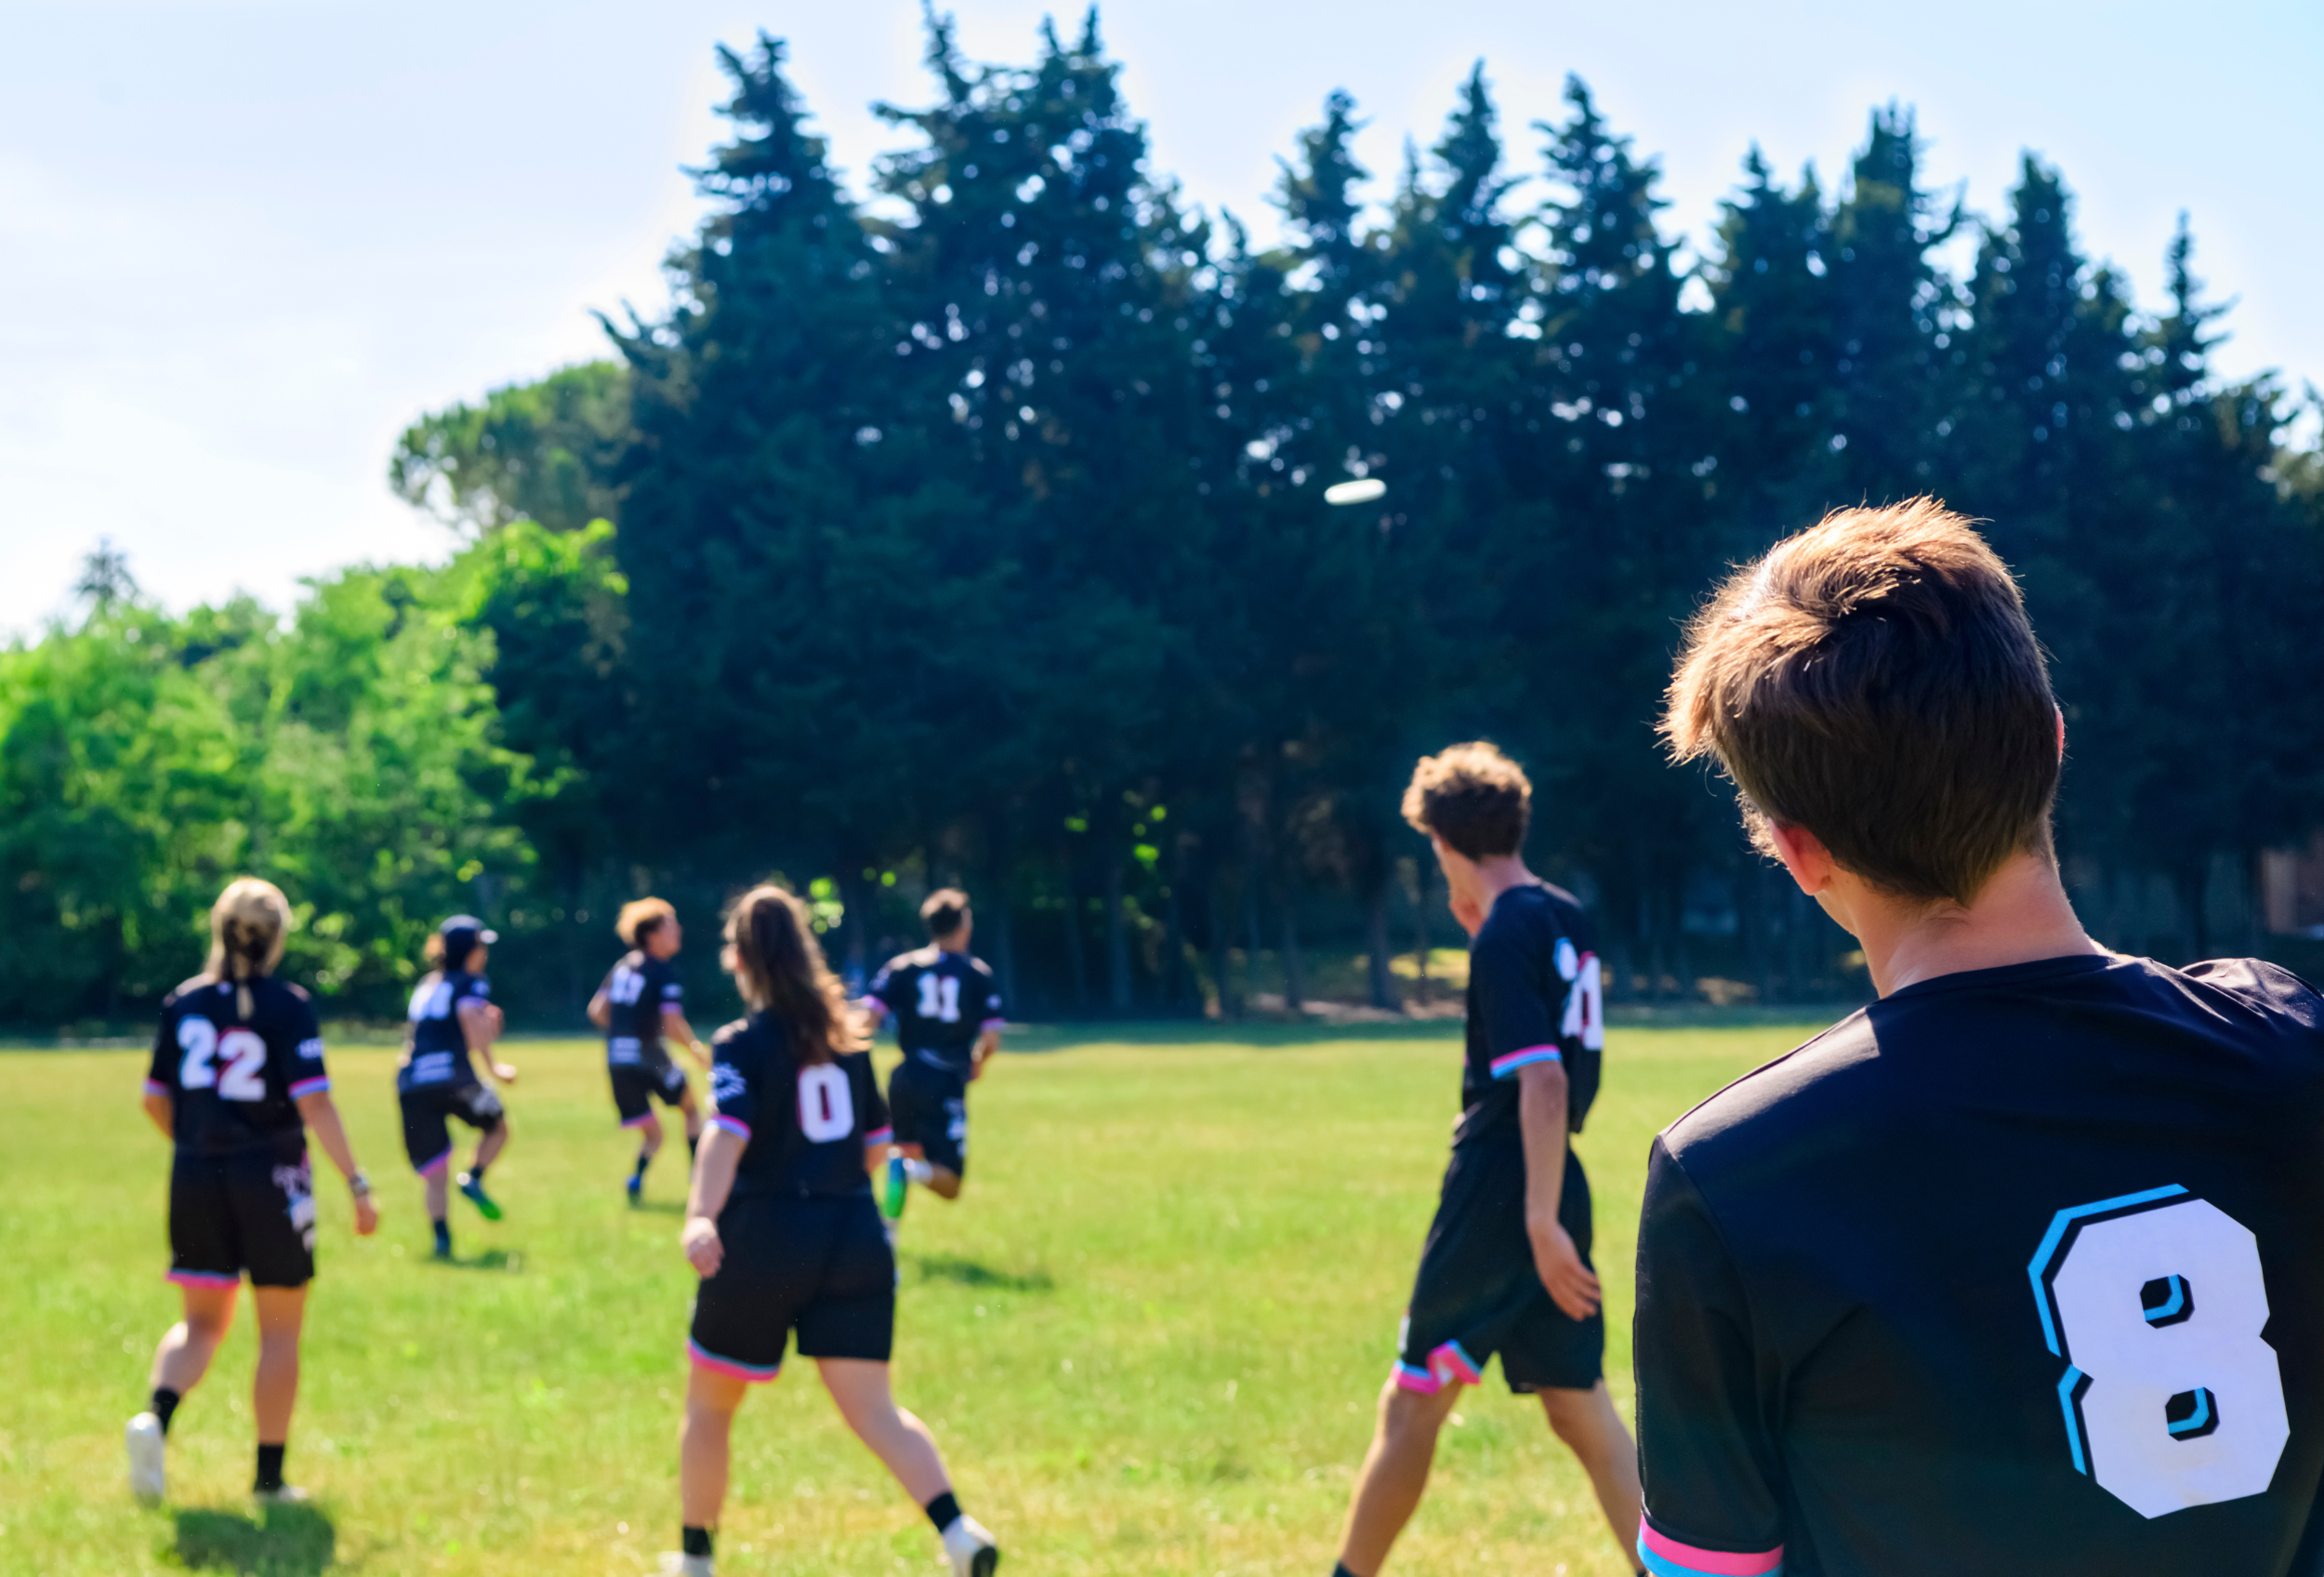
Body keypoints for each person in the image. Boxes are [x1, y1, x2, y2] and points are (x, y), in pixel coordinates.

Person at [1636, 499, 2324, 1576]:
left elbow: (1708, 1565)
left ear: (1796, 850)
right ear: (2050, 741)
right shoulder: (2285, 1048)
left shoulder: (1735, 1173)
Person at [1329, 743, 1642, 1577]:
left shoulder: (1505, 932)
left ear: (1443, 839)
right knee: (1580, 1409)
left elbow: (1540, 1081)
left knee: (1414, 1399)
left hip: (1507, 1188)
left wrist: (1536, 1222)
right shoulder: (1562, 914)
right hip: (1555, 1175)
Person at [669, 884, 999, 1577]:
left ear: (741, 959)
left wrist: (700, 1215)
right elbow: (878, 1149)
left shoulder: (740, 1044)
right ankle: (960, 1532)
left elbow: (725, 1138)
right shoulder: (846, 1041)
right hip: (852, 1233)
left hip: (764, 1235)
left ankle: (696, 1561)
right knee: (876, 1411)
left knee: (710, 1407)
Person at [125, 878, 379, 1504]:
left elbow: (154, 1100)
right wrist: (357, 1181)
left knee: (201, 1324)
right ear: (278, 937)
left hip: (195, 1174)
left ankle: (154, 1418)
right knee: (279, 1331)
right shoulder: (287, 1005)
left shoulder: (183, 1002)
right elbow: (314, 1101)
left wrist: (199, 1151)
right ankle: (268, 1480)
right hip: (271, 1175)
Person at [861, 889, 1005, 1220]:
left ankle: (890, 1235)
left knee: (906, 1152)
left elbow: (867, 1020)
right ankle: (907, 1171)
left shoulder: (901, 967)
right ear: (964, 925)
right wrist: (978, 1062)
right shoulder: (977, 973)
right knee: (949, 1183)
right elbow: (991, 1039)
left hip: (905, 1077)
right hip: (944, 1080)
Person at [397, 915, 517, 1258]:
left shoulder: (426, 984)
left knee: (435, 1169)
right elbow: (468, 1020)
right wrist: (495, 1065)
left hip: (413, 1082)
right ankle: (474, 1178)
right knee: (498, 1127)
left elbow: (416, 1035)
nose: (485, 954)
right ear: (471, 949)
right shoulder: (471, 982)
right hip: (455, 1079)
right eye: (482, 946)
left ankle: (442, 1240)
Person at [587, 897, 708, 1203]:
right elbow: (672, 1023)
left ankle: (636, 1179)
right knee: (691, 1108)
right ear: (652, 935)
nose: (678, 930)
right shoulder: (663, 971)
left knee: (654, 1133)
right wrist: (696, 1050)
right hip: (649, 1056)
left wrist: (622, 1032)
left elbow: (597, 1010)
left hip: (616, 1059)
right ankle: (699, 1177)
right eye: (670, 924)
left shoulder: (622, 966)